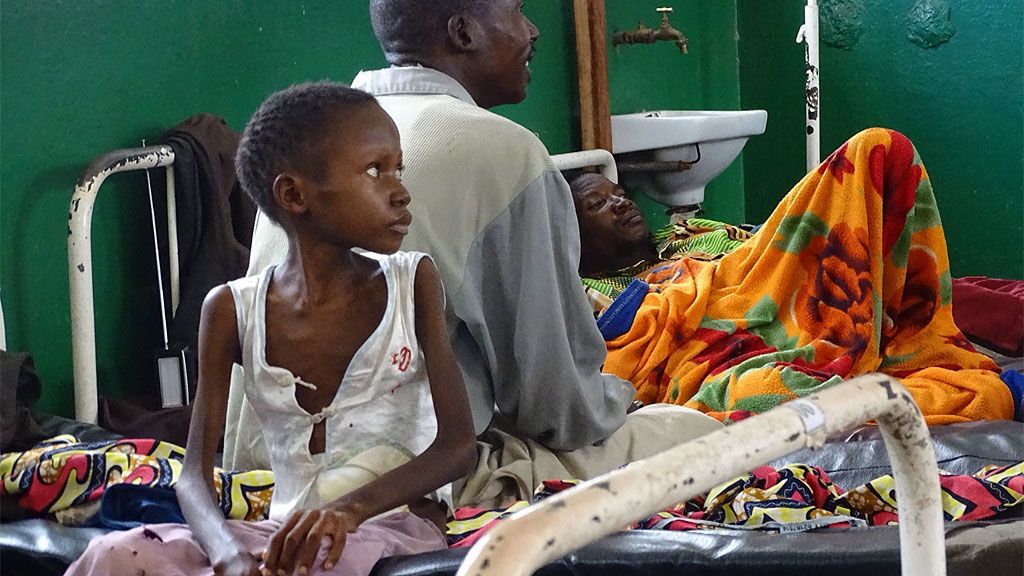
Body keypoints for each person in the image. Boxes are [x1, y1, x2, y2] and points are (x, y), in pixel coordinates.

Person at [238, 0, 723, 508]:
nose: (533, 30)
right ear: (464, 32)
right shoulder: (502, 152)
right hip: (404, 488)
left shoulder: (316, 143)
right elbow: (557, 409)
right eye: (517, 10)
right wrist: (622, 401)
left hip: (266, 479)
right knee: (701, 434)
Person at [67, 82, 477, 576]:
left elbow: (457, 447)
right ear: (294, 194)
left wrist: (346, 511)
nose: (400, 190)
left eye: (397, 168)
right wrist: (228, 554)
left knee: (324, 561)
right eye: (375, 170)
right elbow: (193, 478)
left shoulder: (412, 283)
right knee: (115, 554)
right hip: (286, 533)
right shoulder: (232, 309)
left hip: (394, 527)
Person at [568, 131, 1014, 426]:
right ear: (572, 239)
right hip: (759, 323)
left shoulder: (695, 229)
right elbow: (622, 357)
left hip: (809, 281)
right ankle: (1008, 390)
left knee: (969, 293)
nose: (621, 204)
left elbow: (775, 246)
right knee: (768, 388)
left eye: (620, 194)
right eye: (598, 206)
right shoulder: (612, 295)